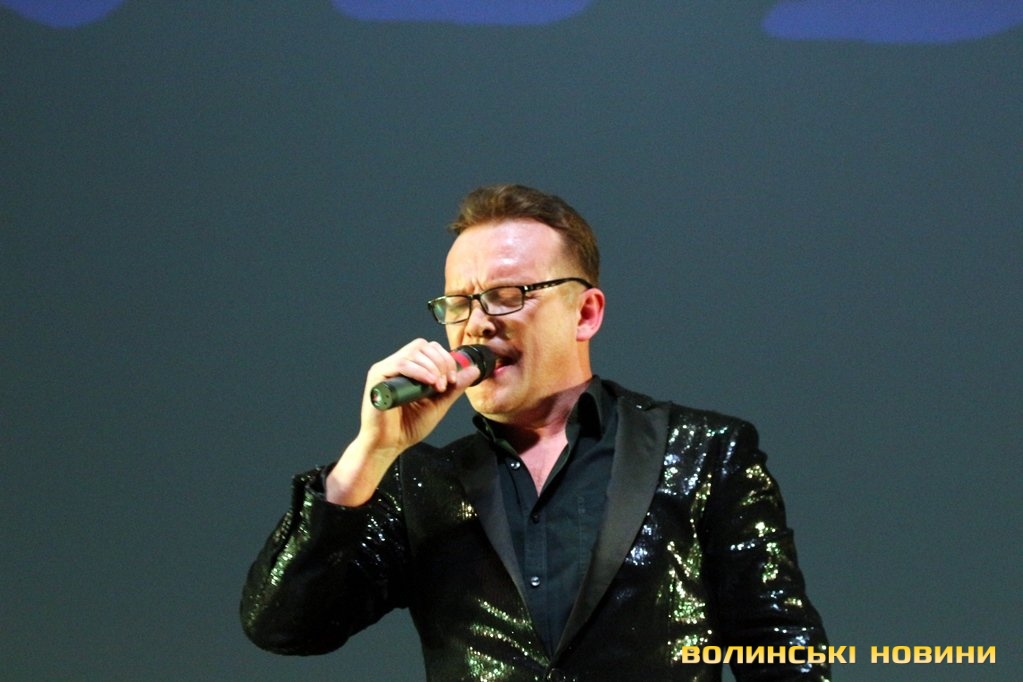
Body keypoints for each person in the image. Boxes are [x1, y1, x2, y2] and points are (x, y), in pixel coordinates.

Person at [241, 184, 830, 681]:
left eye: (506, 296)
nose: (476, 323)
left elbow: (783, 654)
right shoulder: (420, 485)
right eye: (458, 303)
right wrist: (370, 453)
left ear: (586, 313)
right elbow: (285, 627)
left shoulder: (705, 454)